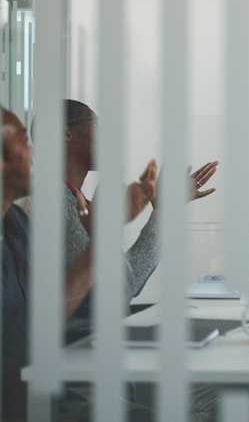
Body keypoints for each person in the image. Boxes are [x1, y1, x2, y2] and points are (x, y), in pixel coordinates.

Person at [17, 100, 218, 337]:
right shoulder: (52, 203)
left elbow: (126, 282)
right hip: (83, 348)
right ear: (66, 133)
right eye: (95, 123)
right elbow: (122, 288)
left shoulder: (68, 198)